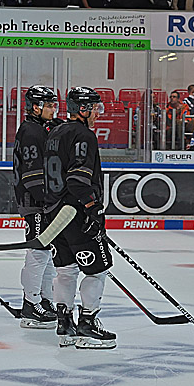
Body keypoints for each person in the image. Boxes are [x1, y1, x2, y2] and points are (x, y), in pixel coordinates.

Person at [45, 87, 116, 349]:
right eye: (95, 108)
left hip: (55, 213)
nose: (98, 112)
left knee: (65, 269)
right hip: (76, 213)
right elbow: (77, 178)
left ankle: (65, 323)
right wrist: (92, 206)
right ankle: (87, 324)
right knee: (97, 270)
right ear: (83, 110)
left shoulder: (55, 132)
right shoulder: (83, 134)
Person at [13, 85, 60, 329]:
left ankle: (45, 298)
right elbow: (32, 175)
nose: (54, 109)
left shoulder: (41, 128)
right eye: (49, 105)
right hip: (35, 203)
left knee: (48, 252)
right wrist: (47, 202)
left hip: (44, 202)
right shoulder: (31, 132)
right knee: (38, 252)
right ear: (35, 107)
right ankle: (30, 304)